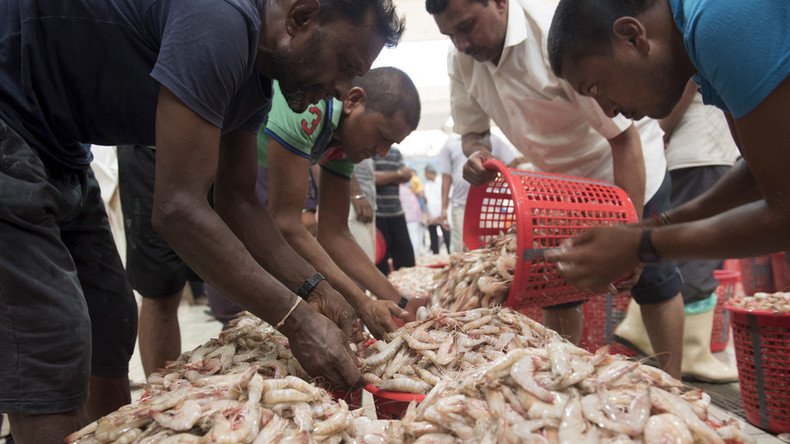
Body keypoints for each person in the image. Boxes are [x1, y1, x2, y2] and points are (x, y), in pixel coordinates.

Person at [0, 0, 404, 441]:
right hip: (11, 116)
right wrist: (297, 321)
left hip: (59, 144)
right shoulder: (220, 19)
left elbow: (240, 204)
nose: (344, 90)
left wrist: (318, 291)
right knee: (53, 335)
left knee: (110, 321)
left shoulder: (256, 83)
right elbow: (177, 209)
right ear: (302, 17)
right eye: (345, 65)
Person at [427, 0, 687, 378]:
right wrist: (476, 152)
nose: (461, 43)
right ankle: (562, 382)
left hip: (626, 169)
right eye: (449, 35)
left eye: (466, 26)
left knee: (652, 281)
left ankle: (674, 384)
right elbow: (472, 130)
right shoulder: (462, 59)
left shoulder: (558, 35)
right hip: (557, 191)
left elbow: (624, 140)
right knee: (558, 288)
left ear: (500, 3)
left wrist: (628, 234)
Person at [544, 1, 790, 309]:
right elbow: (758, 175)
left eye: (596, 88)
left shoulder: (719, 21)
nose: (608, 110)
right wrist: (649, 228)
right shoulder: (700, 48)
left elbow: (785, 216)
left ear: (632, 36)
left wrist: (641, 246)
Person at [212, 68, 424, 335]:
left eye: (390, 144)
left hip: (224, 157)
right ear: (353, 101)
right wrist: (362, 301)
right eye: (381, 136)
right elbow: (287, 223)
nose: (381, 152)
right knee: (172, 288)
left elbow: (335, 233)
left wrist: (400, 302)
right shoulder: (310, 109)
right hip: (183, 147)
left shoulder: (343, 145)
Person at [615, 79, 740, 382]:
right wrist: (664, 129)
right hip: (701, 150)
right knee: (697, 251)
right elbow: (688, 81)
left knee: (670, 246)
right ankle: (692, 352)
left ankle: (639, 327)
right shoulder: (697, 36)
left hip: (690, 150)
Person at [438, 132, 520, 253]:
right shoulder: (450, 143)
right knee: (462, 249)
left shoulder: (494, 139)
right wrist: (444, 208)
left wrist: (499, 181)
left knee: (492, 248)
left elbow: (514, 161)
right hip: (461, 205)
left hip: (490, 207)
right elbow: (446, 177)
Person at [374, 147, 416, 274]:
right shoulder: (370, 149)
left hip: (397, 213)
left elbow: (407, 175)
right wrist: (397, 174)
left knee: (407, 261)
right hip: (377, 215)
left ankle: (407, 291)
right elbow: (372, 178)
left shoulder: (395, 152)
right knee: (380, 264)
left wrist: (385, 177)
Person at [349, 159, 378, 261]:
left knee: (370, 261)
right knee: (364, 262)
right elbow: (338, 157)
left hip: (367, 203)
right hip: (353, 205)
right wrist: (356, 194)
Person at [423, 164, 450, 254]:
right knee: (433, 239)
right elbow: (426, 201)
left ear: (429, 173)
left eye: (425, 173)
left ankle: (450, 255)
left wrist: (442, 213)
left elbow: (448, 198)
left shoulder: (442, 181)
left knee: (447, 237)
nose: (424, 175)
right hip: (432, 217)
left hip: (443, 215)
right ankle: (436, 257)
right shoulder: (427, 185)